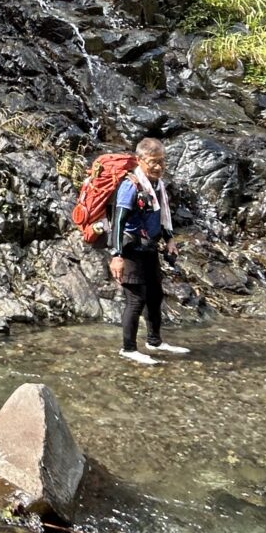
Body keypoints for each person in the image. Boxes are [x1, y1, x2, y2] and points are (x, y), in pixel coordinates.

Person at [108, 135, 189, 365]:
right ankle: (128, 348)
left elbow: (162, 216)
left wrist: (170, 240)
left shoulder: (158, 186)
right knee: (135, 300)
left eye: (162, 161)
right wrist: (116, 256)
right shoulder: (129, 186)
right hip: (130, 248)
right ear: (140, 160)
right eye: (153, 161)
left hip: (149, 247)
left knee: (155, 295)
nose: (158, 166)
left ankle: (154, 341)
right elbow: (118, 222)